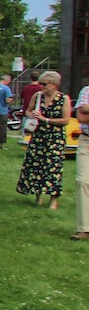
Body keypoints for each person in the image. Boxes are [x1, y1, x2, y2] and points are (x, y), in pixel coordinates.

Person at [16, 70, 70, 209]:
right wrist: (32, 114)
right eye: (40, 83)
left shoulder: (64, 99)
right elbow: (27, 111)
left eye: (44, 84)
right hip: (38, 136)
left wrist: (45, 119)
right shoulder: (38, 96)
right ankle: (38, 196)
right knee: (36, 166)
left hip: (55, 138)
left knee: (53, 168)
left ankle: (53, 199)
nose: (41, 86)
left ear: (54, 84)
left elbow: (65, 120)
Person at [74, 82, 89, 240]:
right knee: (82, 181)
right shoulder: (86, 90)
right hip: (86, 142)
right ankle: (84, 228)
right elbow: (81, 117)